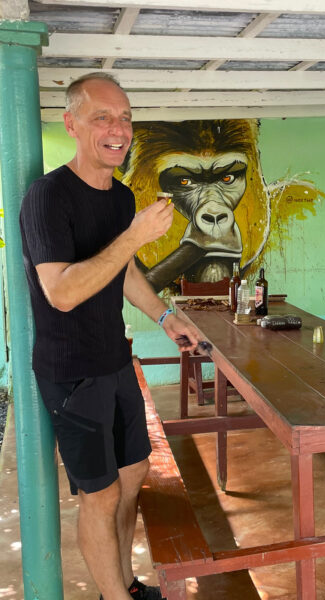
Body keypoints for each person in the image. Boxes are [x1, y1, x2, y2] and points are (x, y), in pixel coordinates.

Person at [19, 72, 204, 600]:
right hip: (71, 370)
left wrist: (167, 318)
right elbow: (62, 292)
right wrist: (133, 236)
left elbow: (122, 272)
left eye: (124, 116)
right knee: (99, 496)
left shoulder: (121, 198)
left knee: (134, 475)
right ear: (72, 124)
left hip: (114, 360)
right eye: (103, 116)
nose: (118, 128)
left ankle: (122, 585)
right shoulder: (47, 197)